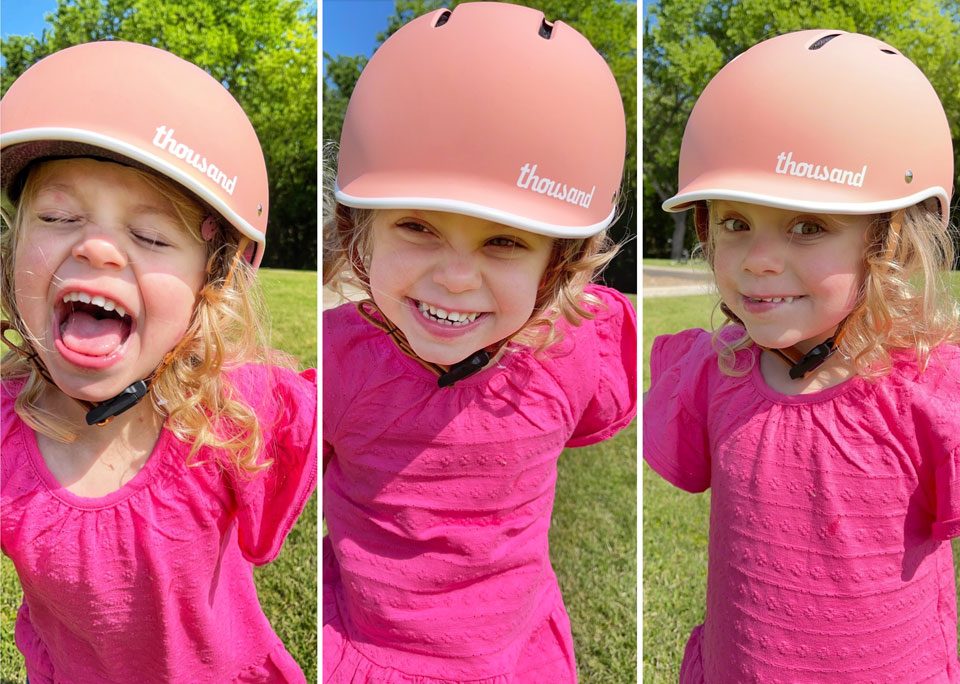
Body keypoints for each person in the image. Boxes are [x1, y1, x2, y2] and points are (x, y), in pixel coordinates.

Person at [322, 3, 637, 682]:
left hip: (517, 657)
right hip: (368, 650)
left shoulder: (580, 349)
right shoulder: (336, 364)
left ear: (556, 263)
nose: (456, 276)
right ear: (358, 232)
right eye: (417, 227)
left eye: (503, 241)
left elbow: (594, 413)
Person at [644, 29, 959, 682]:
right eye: (735, 223)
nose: (758, 259)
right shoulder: (712, 371)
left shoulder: (929, 396)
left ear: (889, 240)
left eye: (807, 226)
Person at [0, 41, 317, 683]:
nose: (98, 249)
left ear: (213, 283)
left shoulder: (239, 417)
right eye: (59, 216)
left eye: (149, 236)